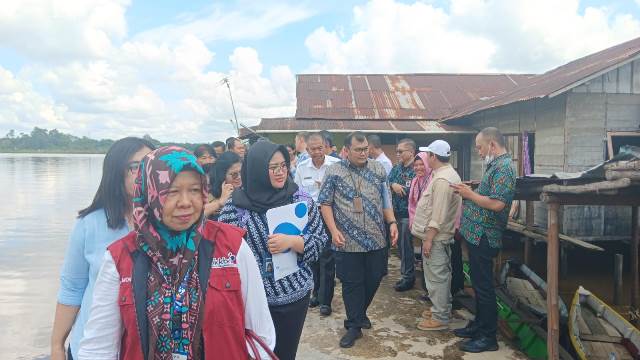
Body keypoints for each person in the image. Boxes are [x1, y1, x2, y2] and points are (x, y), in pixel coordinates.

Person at [77, 146, 275, 360]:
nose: (186, 202)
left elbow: (261, 334)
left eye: (194, 190)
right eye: (171, 191)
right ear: (149, 193)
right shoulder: (120, 257)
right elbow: (98, 348)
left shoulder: (232, 246)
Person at [218, 141, 327, 360]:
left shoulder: (300, 200)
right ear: (257, 169)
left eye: (283, 166)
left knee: (285, 354)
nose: (280, 173)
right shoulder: (235, 208)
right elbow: (224, 255)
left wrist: (294, 242)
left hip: (293, 298)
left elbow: (321, 240)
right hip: (252, 303)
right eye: (272, 167)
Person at [50, 137, 155, 360]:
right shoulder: (89, 224)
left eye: (149, 164)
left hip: (147, 347)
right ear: (116, 173)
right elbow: (72, 287)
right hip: (92, 348)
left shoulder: (169, 224)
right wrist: (57, 346)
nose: (143, 173)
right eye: (135, 167)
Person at [318, 131, 399, 349]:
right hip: (347, 241)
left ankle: (359, 313)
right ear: (347, 150)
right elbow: (324, 203)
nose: (364, 153)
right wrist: (333, 230)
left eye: (366, 149)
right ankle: (353, 325)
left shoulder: (378, 169)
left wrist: (392, 223)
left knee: (374, 277)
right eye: (358, 150)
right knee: (352, 284)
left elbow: (385, 199)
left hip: (375, 238)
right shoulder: (334, 172)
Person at [451, 127, 516, 353]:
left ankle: (488, 337)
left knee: (484, 287)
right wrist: (470, 190)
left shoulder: (505, 168)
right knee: (479, 286)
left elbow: (498, 204)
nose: (478, 151)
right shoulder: (495, 166)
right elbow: (488, 195)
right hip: (476, 234)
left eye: (479, 147)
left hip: (485, 236)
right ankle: (479, 325)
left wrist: (470, 195)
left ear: (492, 145)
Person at [411, 140, 462, 331]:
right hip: (441, 236)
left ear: (433, 157)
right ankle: (442, 309)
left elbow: (438, 215)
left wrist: (429, 239)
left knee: (436, 277)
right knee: (441, 275)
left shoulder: (442, 180)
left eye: (428, 155)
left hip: (437, 238)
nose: (426, 159)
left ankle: (440, 317)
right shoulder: (446, 174)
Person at [294, 133, 340, 316]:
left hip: (328, 213)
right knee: (313, 256)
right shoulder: (302, 167)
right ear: (307, 150)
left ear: (325, 146)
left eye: (320, 148)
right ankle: (316, 293)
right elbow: (297, 194)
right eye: (313, 149)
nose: (317, 152)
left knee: (327, 258)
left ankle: (326, 300)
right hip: (309, 216)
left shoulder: (335, 165)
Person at [388, 138, 417, 292]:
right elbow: (387, 181)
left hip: (409, 214)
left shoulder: (417, 169)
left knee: (407, 247)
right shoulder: (397, 168)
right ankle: (405, 274)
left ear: (411, 152)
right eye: (396, 151)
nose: (397, 154)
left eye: (401, 151)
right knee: (401, 246)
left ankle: (408, 277)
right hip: (396, 213)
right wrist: (393, 185)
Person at [204, 151, 242, 219]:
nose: (239, 177)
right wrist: (219, 203)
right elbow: (197, 218)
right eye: (234, 174)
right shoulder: (210, 197)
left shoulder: (247, 189)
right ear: (222, 175)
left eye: (241, 172)